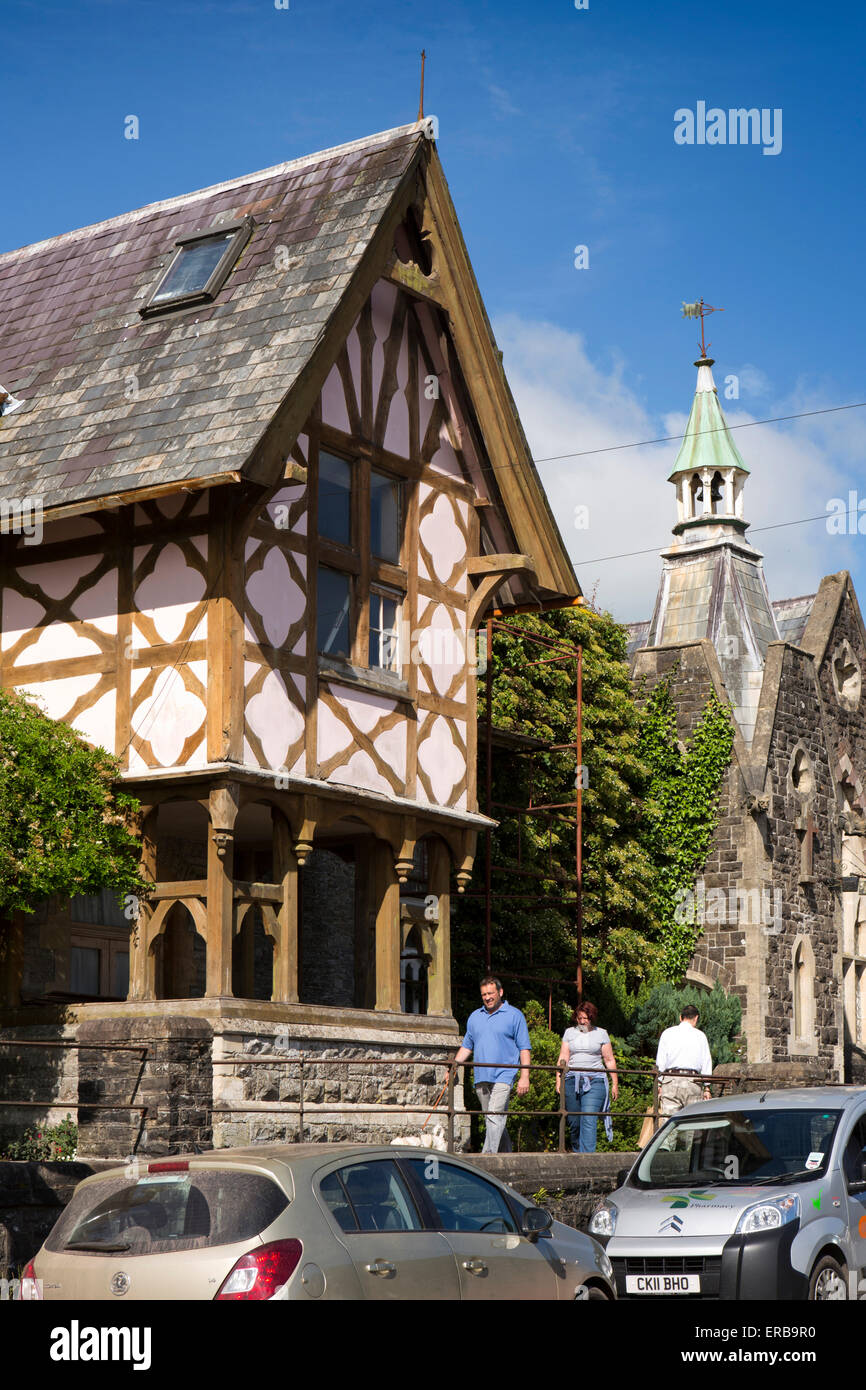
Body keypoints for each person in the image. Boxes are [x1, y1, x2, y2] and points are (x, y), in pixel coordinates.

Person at [451, 976, 531, 1153]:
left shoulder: (514, 1015)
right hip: (481, 1075)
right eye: (484, 994)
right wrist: (454, 1065)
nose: (487, 997)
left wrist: (525, 1076)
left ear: (500, 992)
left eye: (491, 993)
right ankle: (506, 1153)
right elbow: (467, 1046)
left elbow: (524, 1048)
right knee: (492, 1118)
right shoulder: (475, 1017)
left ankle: (487, 1157)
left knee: (494, 1115)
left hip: (505, 1074)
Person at [556, 1001, 618, 1153]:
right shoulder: (569, 1033)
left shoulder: (601, 1033)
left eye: (586, 1018)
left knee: (588, 1119)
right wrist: (558, 1080)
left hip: (595, 1080)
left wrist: (615, 1083)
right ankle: (578, 1153)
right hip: (572, 1080)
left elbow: (609, 1060)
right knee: (574, 1122)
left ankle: (587, 1158)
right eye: (579, 1018)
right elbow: (563, 1056)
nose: (582, 1021)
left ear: (592, 1018)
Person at [655, 1004, 713, 1116]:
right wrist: (707, 1088)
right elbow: (706, 1062)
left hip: (671, 1080)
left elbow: (661, 1061)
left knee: (669, 1122)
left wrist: (659, 1083)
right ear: (696, 1018)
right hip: (693, 1081)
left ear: (680, 1017)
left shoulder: (667, 1033)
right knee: (691, 1124)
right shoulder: (700, 1036)